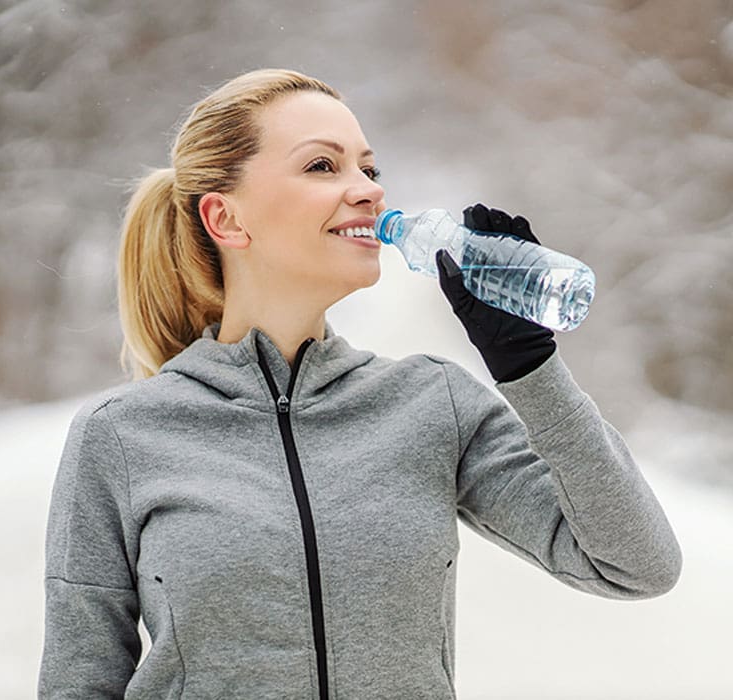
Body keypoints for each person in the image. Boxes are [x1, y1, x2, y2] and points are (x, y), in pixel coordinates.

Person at [38, 68, 682, 699]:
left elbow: (636, 564)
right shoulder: (121, 437)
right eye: (324, 166)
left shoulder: (432, 404)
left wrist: (530, 368)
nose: (368, 191)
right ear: (226, 219)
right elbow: (78, 680)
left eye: (369, 170)